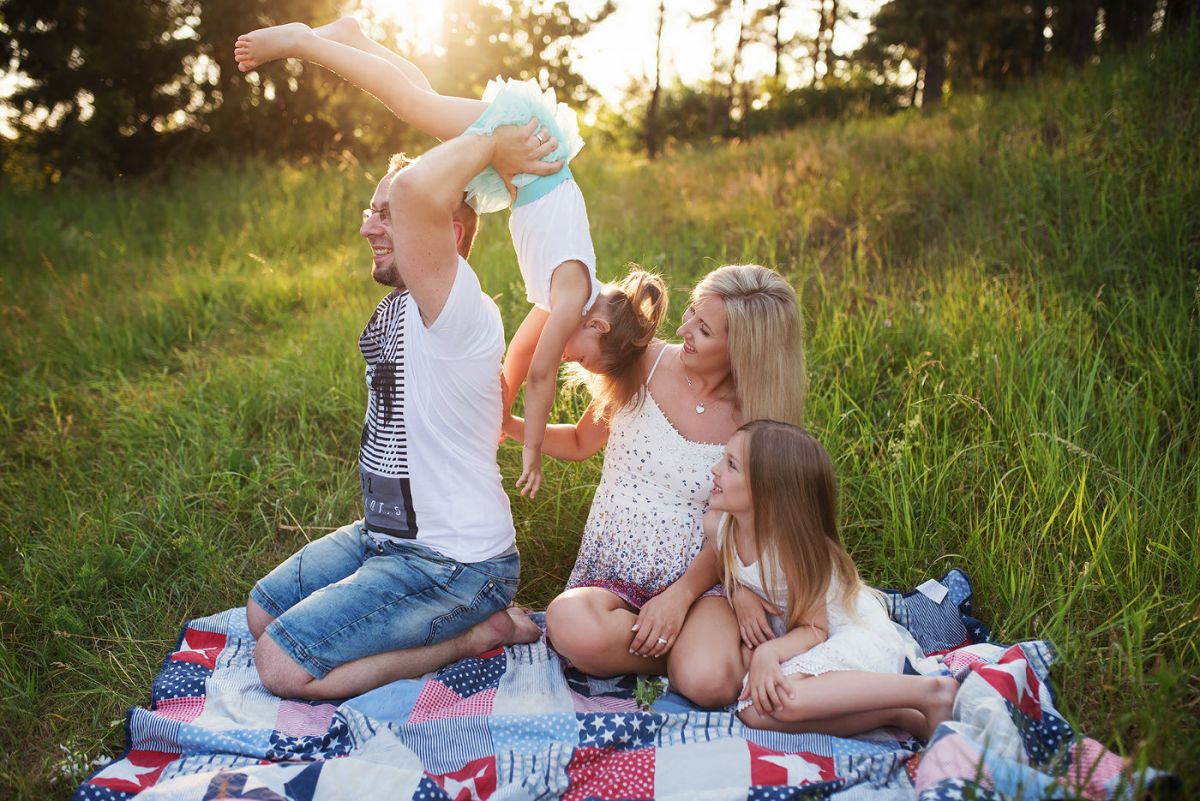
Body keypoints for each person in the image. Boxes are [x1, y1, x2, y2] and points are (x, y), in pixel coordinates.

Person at [235, 17, 626, 499]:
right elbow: (542, 371)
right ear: (598, 327)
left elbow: (523, 355)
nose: (572, 360)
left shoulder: (561, 297)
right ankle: (303, 42)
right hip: (530, 143)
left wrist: (498, 410)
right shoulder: (573, 293)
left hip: (524, 171)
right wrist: (531, 451)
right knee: (417, 105)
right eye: (585, 360)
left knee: (426, 102)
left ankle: (356, 39)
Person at [245, 124, 559, 701]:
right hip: (386, 535)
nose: (368, 226)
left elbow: (422, 191)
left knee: (280, 665)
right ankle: (403, 607)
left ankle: (472, 636)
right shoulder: (405, 306)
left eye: (389, 214)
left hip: (455, 563)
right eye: (372, 210)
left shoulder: (459, 308)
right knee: (262, 614)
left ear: (449, 232)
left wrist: (491, 142)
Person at [503, 264, 808, 708]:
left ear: (743, 349)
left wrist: (680, 598)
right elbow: (579, 441)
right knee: (567, 622)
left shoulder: (757, 422)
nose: (683, 328)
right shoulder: (644, 364)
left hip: (700, 585)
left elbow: (734, 521)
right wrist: (509, 426)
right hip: (612, 578)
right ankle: (675, 651)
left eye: (703, 330)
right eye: (690, 313)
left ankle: (692, 649)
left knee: (709, 684)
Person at [710, 420, 957, 737]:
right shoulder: (719, 527)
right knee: (753, 711)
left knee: (782, 701)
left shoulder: (791, 551)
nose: (716, 469)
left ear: (769, 493)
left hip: (844, 632)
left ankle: (927, 691)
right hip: (799, 642)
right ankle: (899, 714)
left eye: (731, 465)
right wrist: (739, 593)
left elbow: (816, 629)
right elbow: (727, 569)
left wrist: (767, 653)